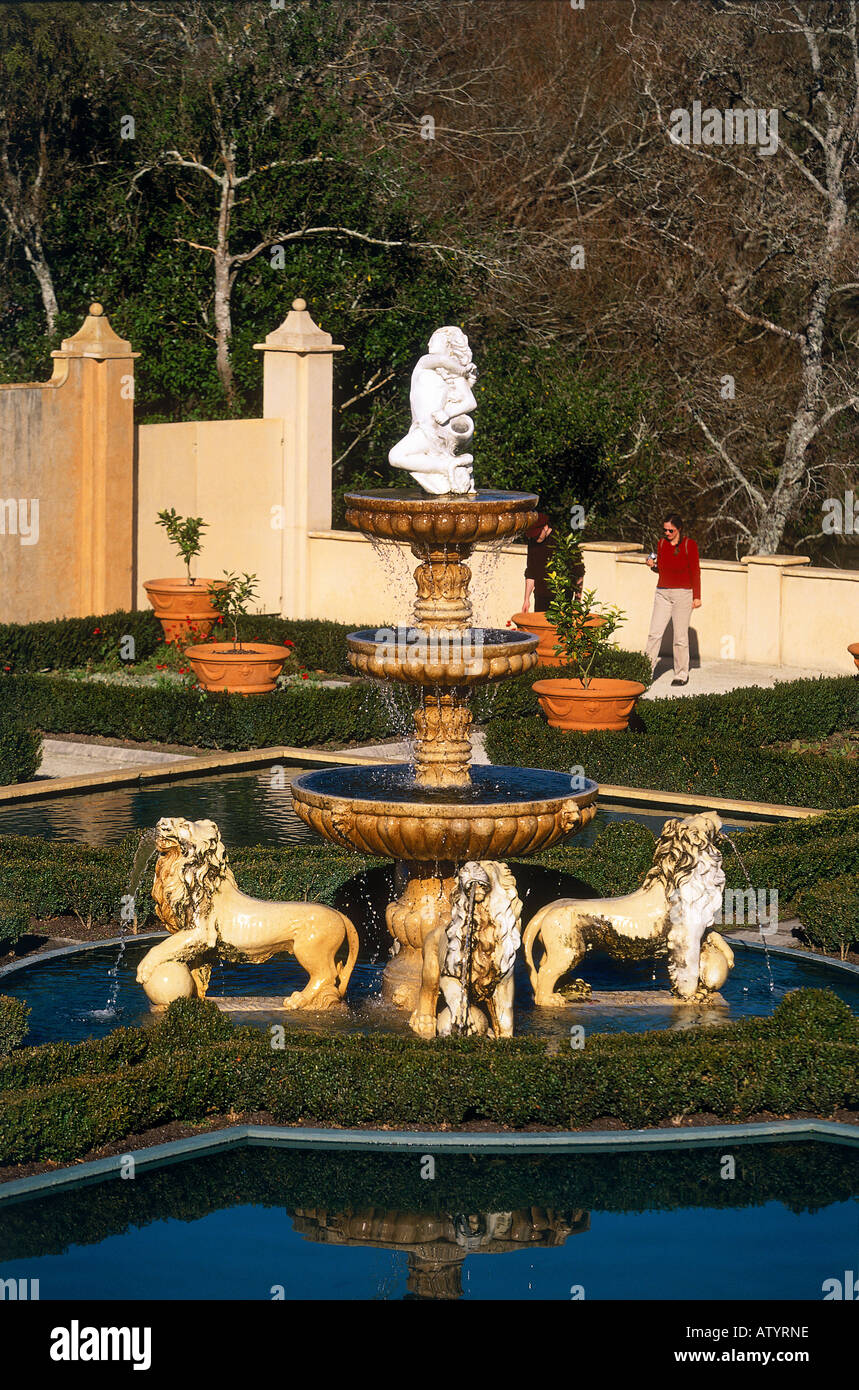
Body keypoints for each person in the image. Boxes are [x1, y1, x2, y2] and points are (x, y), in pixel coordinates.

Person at [644, 513, 701, 686]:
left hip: (683, 594)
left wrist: (697, 596)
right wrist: (652, 566)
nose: (667, 533)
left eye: (671, 530)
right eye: (665, 530)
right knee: (654, 633)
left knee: (680, 637)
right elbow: (662, 569)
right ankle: (645, 671)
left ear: (679, 529)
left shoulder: (689, 545)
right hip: (662, 592)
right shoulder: (661, 544)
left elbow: (695, 571)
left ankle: (681, 673)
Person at [522, 515, 585, 612]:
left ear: (546, 527)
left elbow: (578, 572)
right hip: (540, 598)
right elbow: (531, 573)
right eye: (533, 535)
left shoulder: (563, 540)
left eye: (537, 534)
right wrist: (526, 599)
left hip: (562, 598)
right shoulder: (533, 543)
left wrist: (577, 600)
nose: (535, 537)